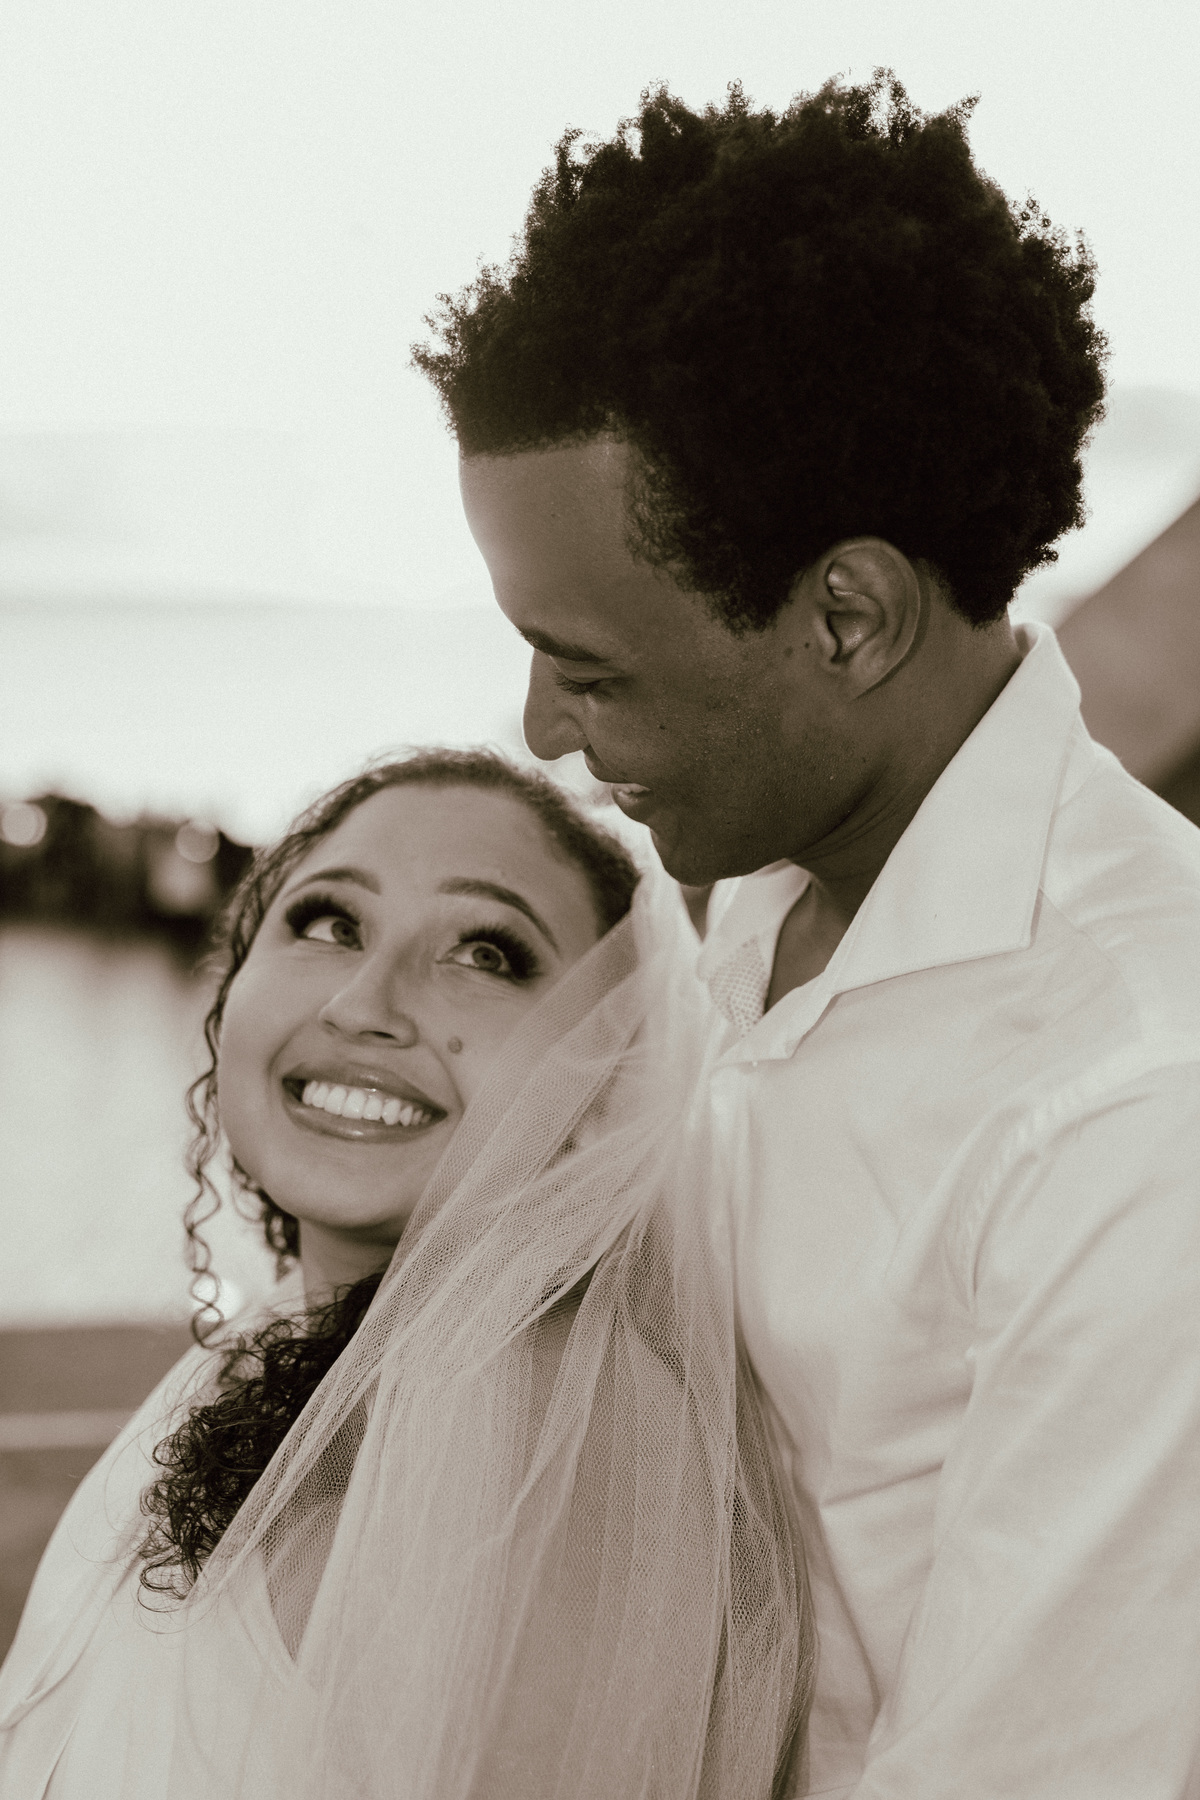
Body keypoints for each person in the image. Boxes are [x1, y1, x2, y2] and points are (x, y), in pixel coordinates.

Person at [416, 73, 1200, 1799]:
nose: (541, 729)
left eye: (592, 668)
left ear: (846, 617)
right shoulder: (752, 882)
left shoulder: (1140, 1096)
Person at [0, 749, 809, 1800]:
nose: (362, 1003)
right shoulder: (285, 1350)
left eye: (486, 952)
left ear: (609, 1077)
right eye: (329, 922)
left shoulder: (531, 1434)